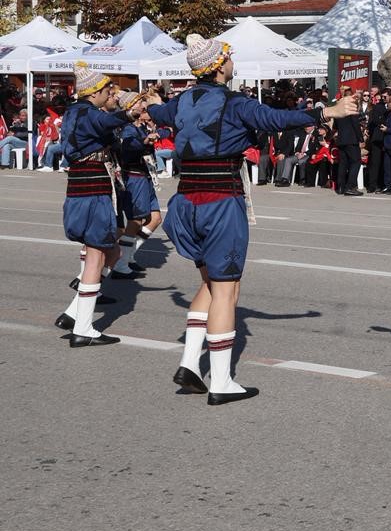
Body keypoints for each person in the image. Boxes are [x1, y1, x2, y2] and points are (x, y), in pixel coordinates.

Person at [149, 35, 357, 404]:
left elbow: (159, 113)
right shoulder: (235, 104)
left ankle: (190, 364)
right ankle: (221, 381)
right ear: (218, 67)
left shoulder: (181, 101)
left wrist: (150, 102)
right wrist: (328, 112)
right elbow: (277, 120)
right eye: (229, 57)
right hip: (220, 202)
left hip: (184, 200)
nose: (233, 62)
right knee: (227, 290)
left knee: (210, 284)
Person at [54, 63, 137, 347]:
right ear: (93, 92)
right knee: (96, 253)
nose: (109, 94)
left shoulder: (74, 112)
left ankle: (74, 312)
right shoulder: (87, 113)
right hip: (92, 188)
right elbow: (105, 123)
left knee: (110, 250)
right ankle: (83, 328)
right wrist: (129, 114)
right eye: (106, 90)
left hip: (83, 187)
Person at [112, 95, 162, 275]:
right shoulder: (127, 128)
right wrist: (144, 141)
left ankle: (128, 255)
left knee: (155, 218)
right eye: (141, 103)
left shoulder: (142, 127)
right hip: (134, 176)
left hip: (146, 175)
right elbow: (128, 145)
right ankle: (121, 263)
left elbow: (166, 131)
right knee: (136, 220)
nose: (144, 106)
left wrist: (154, 134)